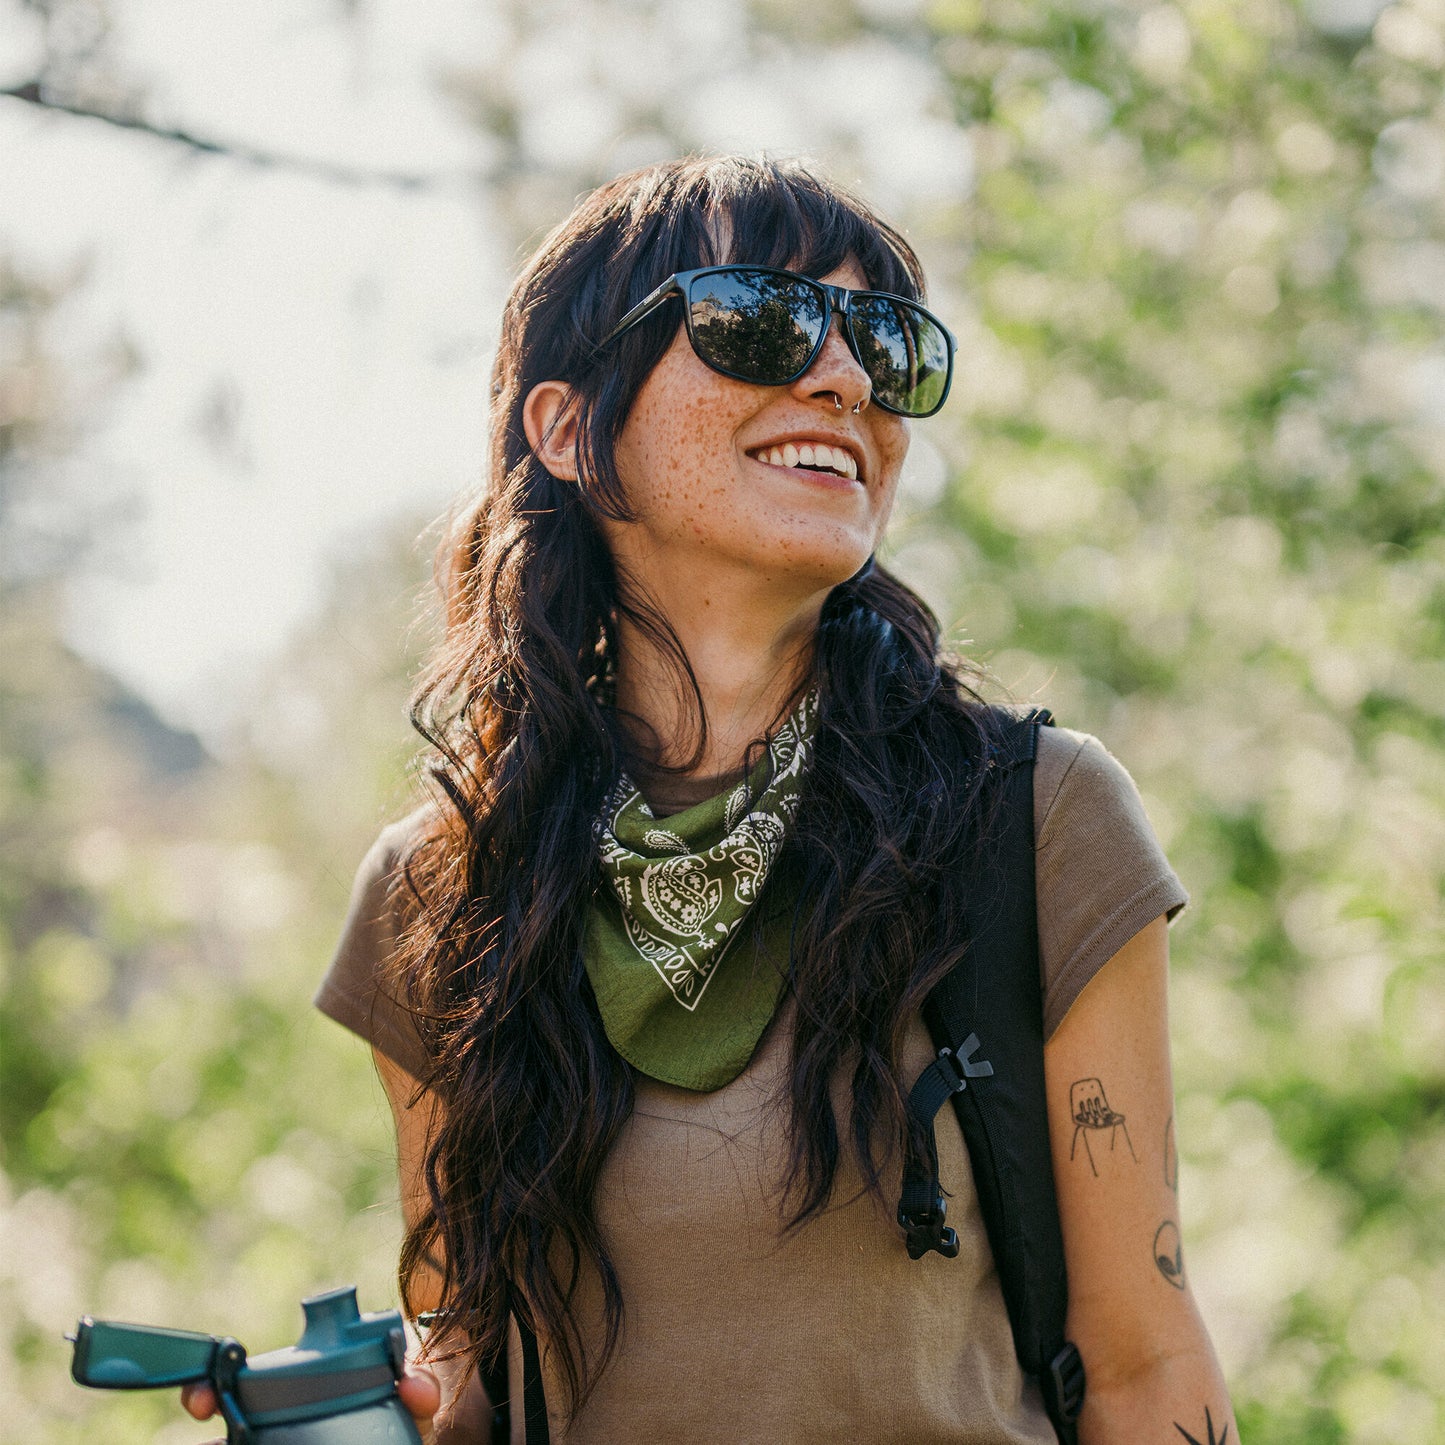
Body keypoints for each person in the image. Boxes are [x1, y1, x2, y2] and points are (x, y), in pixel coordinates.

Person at [188, 155, 1237, 1443]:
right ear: (569, 430)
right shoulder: (444, 890)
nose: (845, 379)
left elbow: (1145, 1367)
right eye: (761, 319)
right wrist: (346, 1419)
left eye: (886, 344)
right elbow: (468, 1377)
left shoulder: (1033, 819)